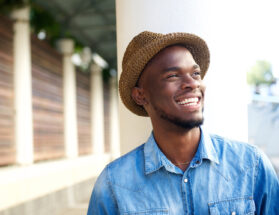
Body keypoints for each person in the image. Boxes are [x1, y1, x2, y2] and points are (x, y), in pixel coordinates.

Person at [87, 31, 279, 215]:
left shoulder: (251, 165)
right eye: (173, 76)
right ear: (140, 95)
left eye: (195, 74)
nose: (193, 83)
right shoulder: (114, 184)